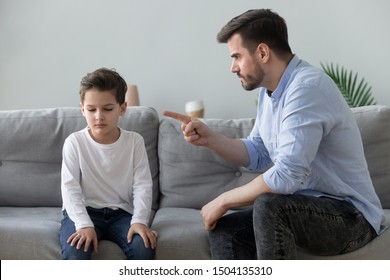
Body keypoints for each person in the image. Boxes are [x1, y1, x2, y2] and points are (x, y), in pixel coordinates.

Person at [163, 9, 385, 259]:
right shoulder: (269, 92)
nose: (232, 67)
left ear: (262, 52)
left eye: (236, 56)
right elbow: (258, 152)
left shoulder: (306, 88)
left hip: (350, 217)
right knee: (228, 229)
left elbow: (287, 175)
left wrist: (223, 200)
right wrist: (210, 138)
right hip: (303, 208)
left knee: (270, 206)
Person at [60, 68, 157, 260]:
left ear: (122, 108)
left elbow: (143, 185)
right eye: (91, 109)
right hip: (84, 210)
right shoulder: (75, 142)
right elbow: (70, 189)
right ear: (82, 109)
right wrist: (83, 224)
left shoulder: (134, 141)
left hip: (121, 214)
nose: (98, 116)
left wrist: (139, 221)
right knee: (76, 251)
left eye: (107, 109)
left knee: (143, 248)